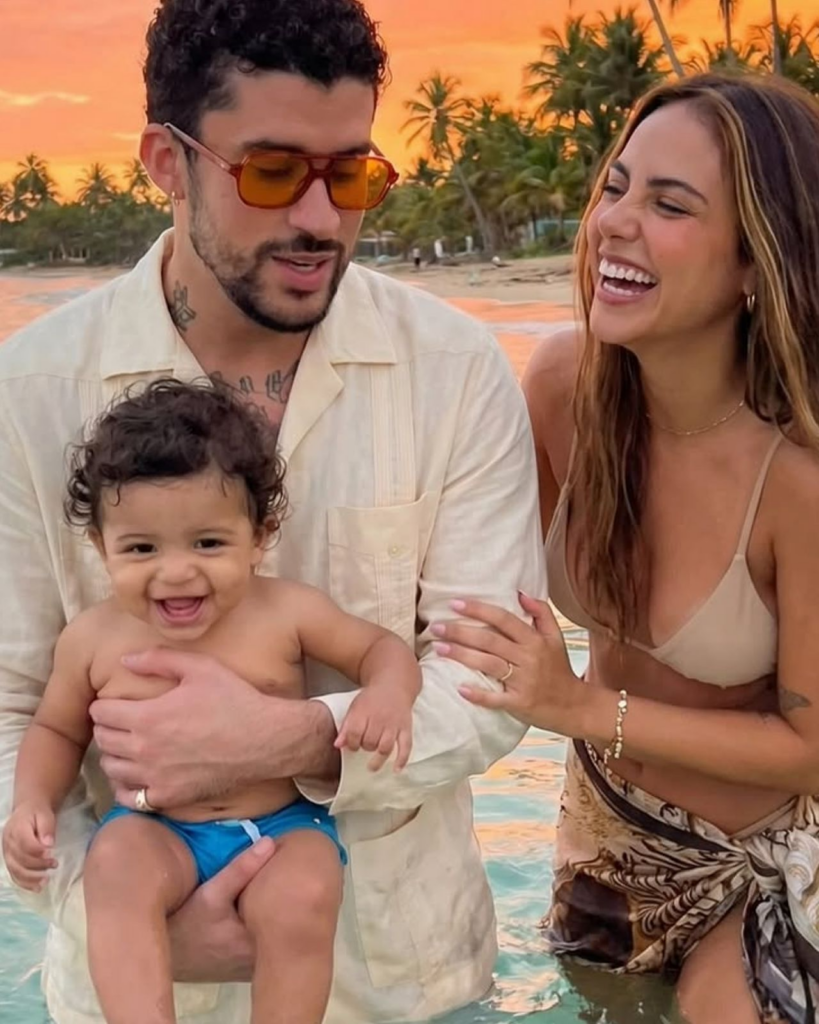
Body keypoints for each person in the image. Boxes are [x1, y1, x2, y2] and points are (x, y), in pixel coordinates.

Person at [0, 2, 544, 1022]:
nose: (321, 219)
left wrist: (289, 738)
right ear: (167, 163)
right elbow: (12, 705)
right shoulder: (26, 391)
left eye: (353, 175)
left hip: (409, 983)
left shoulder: (457, 369)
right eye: (273, 172)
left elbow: (494, 682)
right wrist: (96, 892)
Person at [430, 74, 819, 1024]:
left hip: (774, 861)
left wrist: (574, 705)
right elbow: (456, 588)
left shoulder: (798, 482)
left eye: (669, 204)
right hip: (605, 840)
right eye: (615, 187)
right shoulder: (566, 388)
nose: (614, 222)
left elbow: (813, 752)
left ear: (754, 261)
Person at [3, 377, 423, 1024]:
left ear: (259, 536)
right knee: (113, 868)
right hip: (156, 830)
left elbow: (380, 649)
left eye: (208, 543)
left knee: (306, 890)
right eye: (141, 548)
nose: (176, 572)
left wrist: (388, 694)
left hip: (282, 827)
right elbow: (56, 731)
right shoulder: (92, 638)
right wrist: (31, 802)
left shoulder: (286, 612)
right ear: (101, 548)